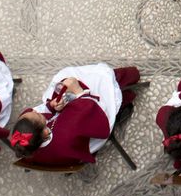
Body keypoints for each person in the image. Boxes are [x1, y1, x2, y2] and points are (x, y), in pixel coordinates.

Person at [10, 63, 142, 167]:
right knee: (104, 83)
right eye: (39, 116)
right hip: (89, 135)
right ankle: (127, 88)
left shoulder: (30, 144)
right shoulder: (69, 129)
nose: (35, 111)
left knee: (59, 91)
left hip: (64, 150)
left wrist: (51, 106)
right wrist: (78, 90)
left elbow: (37, 113)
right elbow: (94, 113)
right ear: (45, 132)